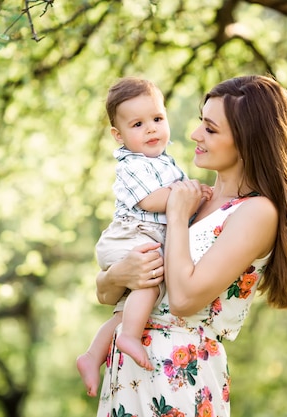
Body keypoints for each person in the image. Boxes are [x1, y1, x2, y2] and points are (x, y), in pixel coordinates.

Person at [95, 74, 287, 417]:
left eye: (211, 129)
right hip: (128, 374)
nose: (194, 135)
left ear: (248, 142)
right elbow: (107, 294)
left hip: (178, 376)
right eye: (202, 122)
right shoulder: (193, 198)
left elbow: (184, 300)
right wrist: (116, 276)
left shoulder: (255, 212)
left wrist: (175, 216)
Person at [77, 77, 208, 397]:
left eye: (157, 119)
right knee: (149, 281)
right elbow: (151, 200)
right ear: (118, 136)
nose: (151, 129)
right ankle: (130, 338)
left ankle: (93, 355)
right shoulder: (132, 164)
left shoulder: (164, 161)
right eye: (138, 124)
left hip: (143, 236)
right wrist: (190, 195)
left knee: (128, 309)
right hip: (130, 236)